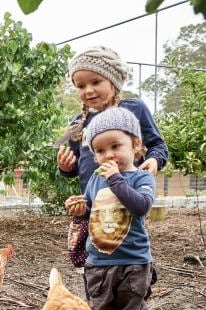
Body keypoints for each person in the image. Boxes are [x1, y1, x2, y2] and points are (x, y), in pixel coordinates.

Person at [58, 46, 168, 269]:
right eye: (81, 86)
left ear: (113, 81)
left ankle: (131, 287)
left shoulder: (134, 109)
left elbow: (157, 145)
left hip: (125, 199)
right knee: (94, 258)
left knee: (123, 252)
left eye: (95, 82)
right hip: (93, 204)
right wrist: (66, 168)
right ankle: (101, 294)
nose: (88, 90)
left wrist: (154, 160)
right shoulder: (78, 124)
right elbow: (79, 166)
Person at [71, 106, 156, 310]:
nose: (108, 155)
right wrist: (78, 207)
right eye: (99, 150)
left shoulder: (142, 177)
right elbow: (91, 208)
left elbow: (141, 206)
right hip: (99, 260)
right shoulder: (96, 181)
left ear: (136, 145)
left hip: (133, 261)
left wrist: (117, 179)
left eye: (115, 146)